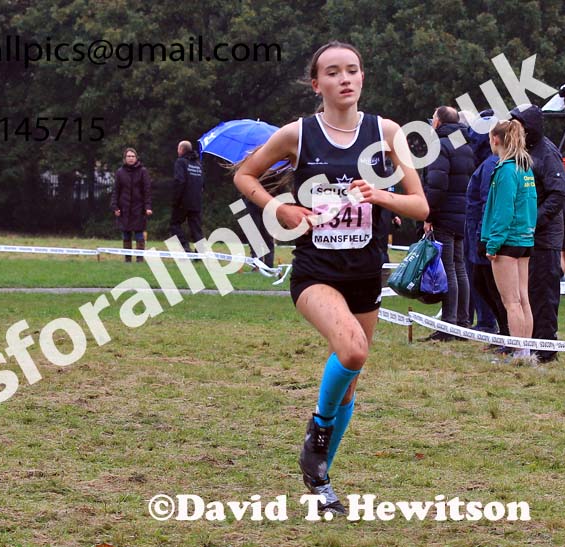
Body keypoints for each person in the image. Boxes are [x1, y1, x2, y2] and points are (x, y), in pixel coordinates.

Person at [233, 41, 428, 515]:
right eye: (333, 72)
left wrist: (379, 197)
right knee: (352, 349)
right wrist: (281, 206)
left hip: (366, 274)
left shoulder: (386, 131)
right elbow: (245, 175)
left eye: (353, 70)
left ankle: (320, 482)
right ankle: (316, 435)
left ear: (362, 78)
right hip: (316, 271)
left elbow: (420, 205)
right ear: (316, 83)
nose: (345, 78)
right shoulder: (297, 133)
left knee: (351, 383)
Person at [509, 104, 565, 363]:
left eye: (518, 123)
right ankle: (526, 345)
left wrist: (533, 220)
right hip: (527, 236)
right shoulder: (525, 152)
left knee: (543, 294)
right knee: (527, 293)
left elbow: (559, 194)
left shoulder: (547, 153)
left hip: (545, 237)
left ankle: (545, 350)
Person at [481, 119, 537, 363]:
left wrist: (493, 244)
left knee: (511, 301)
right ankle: (525, 352)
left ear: (496, 139)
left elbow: (503, 210)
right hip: (525, 239)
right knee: (523, 299)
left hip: (506, 242)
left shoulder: (505, 171)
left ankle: (518, 353)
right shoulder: (525, 168)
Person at [422, 106, 476, 340]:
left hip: (444, 213)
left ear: (439, 123)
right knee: (460, 267)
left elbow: (436, 184)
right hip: (462, 214)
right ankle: (463, 322)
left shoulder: (440, 147)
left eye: (433, 117)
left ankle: (448, 326)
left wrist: (429, 215)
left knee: (449, 269)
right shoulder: (466, 146)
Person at [466, 113, 509, 346]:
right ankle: (502, 331)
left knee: (490, 286)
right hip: (479, 234)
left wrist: (484, 239)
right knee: (483, 284)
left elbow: (487, 204)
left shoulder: (492, 164)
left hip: (484, 236)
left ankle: (505, 331)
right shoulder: (487, 163)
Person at [111, 148, 152, 263]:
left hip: (139, 209)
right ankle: (127, 259)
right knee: (126, 235)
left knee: (139, 234)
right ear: (125, 158)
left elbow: (147, 190)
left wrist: (148, 207)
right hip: (124, 209)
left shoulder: (143, 171)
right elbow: (116, 191)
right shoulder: (120, 172)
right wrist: (115, 206)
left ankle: (139, 259)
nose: (130, 158)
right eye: (128, 156)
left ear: (136, 158)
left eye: (132, 156)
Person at [170, 141, 204, 252]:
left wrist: (176, 200)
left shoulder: (181, 162)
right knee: (196, 228)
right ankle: (200, 253)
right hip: (197, 201)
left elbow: (180, 181)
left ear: (181, 150)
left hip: (183, 202)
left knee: (174, 224)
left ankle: (185, 247)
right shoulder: (199, 164)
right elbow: (203, 183)